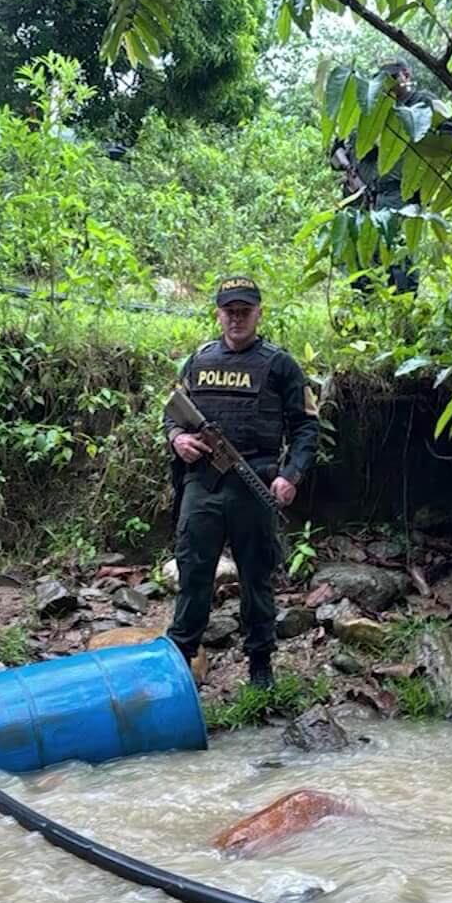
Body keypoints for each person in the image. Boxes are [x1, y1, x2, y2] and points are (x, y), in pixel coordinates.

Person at [164, 275, 320, 689]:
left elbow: (306, 427)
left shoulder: (280, 364)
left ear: (257, 313)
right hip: (203, 484)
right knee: (193, 570)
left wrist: (291, 475)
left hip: (256, 481)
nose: (236, 319)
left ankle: (260, 668)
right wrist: (177, 439)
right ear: (218, 314)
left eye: (244, 311)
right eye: (229, 311)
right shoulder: (198, 360)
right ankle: (181, 661)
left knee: (256, 576)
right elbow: (171, 413)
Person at [327, 61, 443, 295]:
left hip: (401, 194)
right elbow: (335, 152)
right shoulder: (370, 110)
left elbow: (448, 135)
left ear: (406, 74)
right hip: (364, 197)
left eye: (393, 77)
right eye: (383, 79)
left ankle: (403, 314)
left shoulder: (422, 103)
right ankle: (365, 311)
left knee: (401, 259)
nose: (388, 83)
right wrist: (350, 171)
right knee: (363, 259)